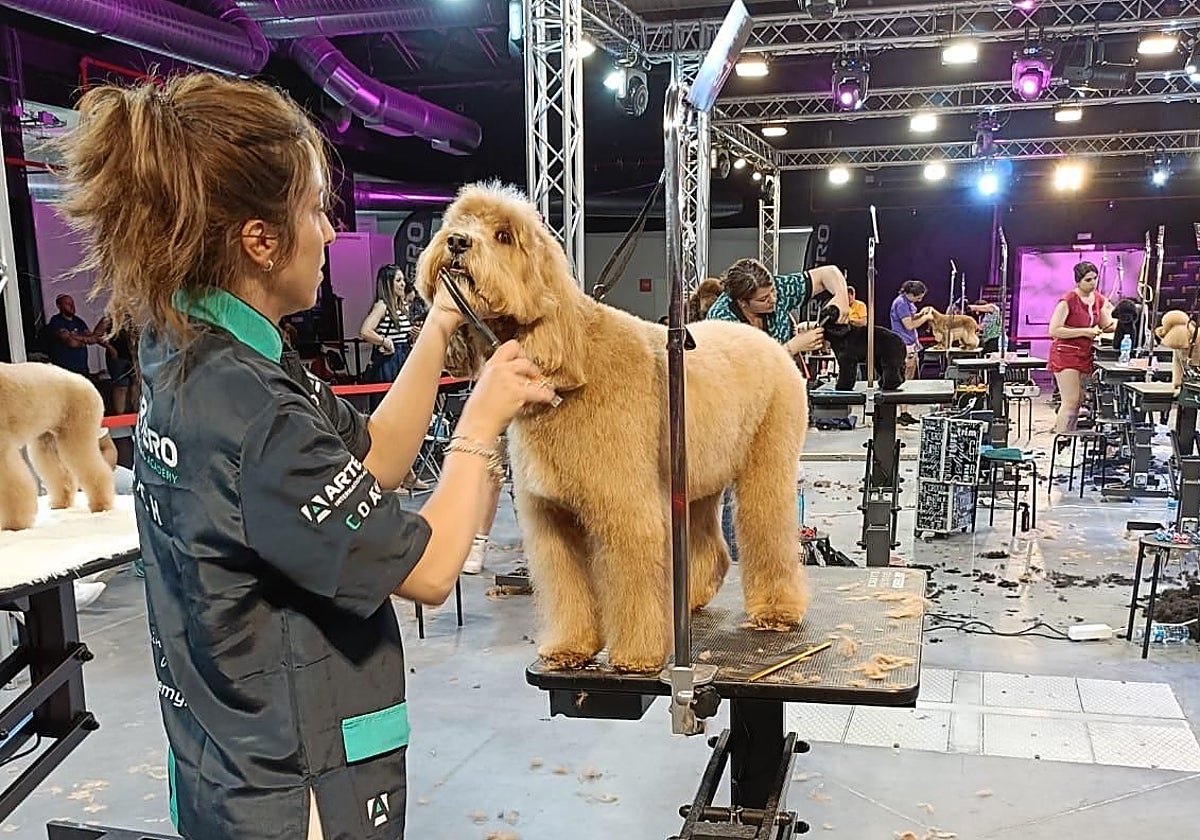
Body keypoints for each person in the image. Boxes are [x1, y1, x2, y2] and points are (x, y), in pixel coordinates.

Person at [52, 72, 557, 840]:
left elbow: (376, 457)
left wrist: (436, 329)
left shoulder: (192, 346)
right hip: (295, 792)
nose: (329, 232)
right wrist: (479, 423)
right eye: (317, 210)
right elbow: (426, 570)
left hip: (226, 758)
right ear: (259, 239)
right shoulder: (254, 416)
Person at [706, 258, 850, 560]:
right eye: (763, 299)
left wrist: (839, 297)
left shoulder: (777, 291)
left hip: (778, 408)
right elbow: (748, 375)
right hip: (739, 412)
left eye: (772, 292)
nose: (772, 299)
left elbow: (827, 274)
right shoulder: (722, 321)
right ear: (742, 302)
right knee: (741, 491)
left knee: (775, 487)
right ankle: (737, 562)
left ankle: (772, 555)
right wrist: (794, 346)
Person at [1048, 261, 1114, 444]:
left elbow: (1106, 325)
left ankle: (1069, 442)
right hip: (1065, 353)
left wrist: (1127, 321)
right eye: (1088, 280)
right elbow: (1054, 331)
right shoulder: (1068, 300)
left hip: (1085, 353)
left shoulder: (1098, 299)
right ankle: (1060, 444)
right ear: (1078, 281)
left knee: (1078, 403)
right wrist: (1085, 331)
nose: (1093, 283)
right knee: (1070, 400)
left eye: (1095, 279)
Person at [360, 264, 413, 384]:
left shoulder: (403, 307)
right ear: (389, 284)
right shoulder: (382, 306)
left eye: (403, 280)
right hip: (389, 361)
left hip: (404, 357)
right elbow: (365, 331)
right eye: (398, 280)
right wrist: (384, 342)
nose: (403, 284)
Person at [890, 279, 933, 426]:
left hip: (911, 344)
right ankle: (900, 412)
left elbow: (912, 317)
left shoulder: (907, 303)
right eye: (918, 297)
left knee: (908, 380)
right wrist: (926, 318)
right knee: (903, 379)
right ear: (910, 294)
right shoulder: (901, 303)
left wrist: (921, 313)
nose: (920, 300)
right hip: (903, 344)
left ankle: (904, 412)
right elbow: (909, 325)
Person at [46, 293, 103, 376]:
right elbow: (72, 343)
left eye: (72, 303)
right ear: (59, 306)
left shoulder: (79, 321)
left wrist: (76, 337)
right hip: (65, 370)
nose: (72, 306)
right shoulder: (56, 321)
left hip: (82, 369)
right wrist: (84, 341)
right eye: (68, 304)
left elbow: (92, 339)